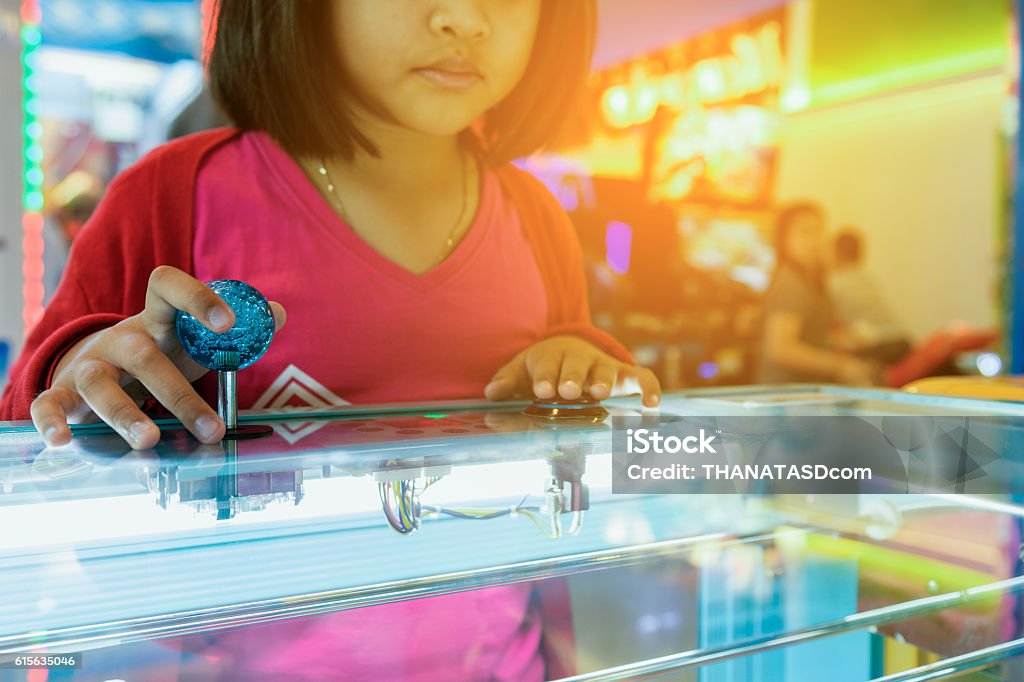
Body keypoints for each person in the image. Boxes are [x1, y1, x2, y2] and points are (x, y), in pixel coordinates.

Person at [0, 2, 660, 680]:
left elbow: (575, 411)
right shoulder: (171, 196)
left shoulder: (535, 217)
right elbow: (31, 420)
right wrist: (83, 377)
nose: (464, 18)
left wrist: (580, 370)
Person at [757, 202, 877, 385]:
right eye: (805, 232)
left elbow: (813, 334)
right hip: (788, 393)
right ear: (784, 238)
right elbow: (781, 348)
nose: (815, 239)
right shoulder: (790, 283)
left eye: (819, 230)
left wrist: (842, 341)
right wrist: (841, 366)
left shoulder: (813, 280)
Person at [829, 228, 912, 364]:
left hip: (881, 345)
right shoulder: (867, 278)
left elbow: (832, 323)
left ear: (835, 253)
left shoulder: (836, 283)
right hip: (901, 339)